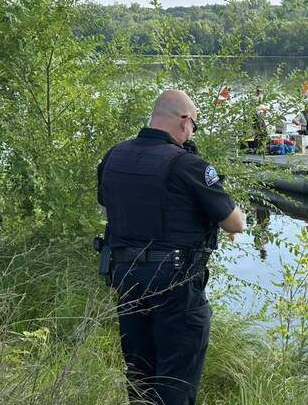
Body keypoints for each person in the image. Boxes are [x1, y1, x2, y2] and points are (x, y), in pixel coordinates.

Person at [97, 90, 246, 405]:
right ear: (183, 121)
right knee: (176, 382)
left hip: (127, 283)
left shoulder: (114, 156)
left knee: (140, 375)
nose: (192, 132)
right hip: (176, 288)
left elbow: (109, 212)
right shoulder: (187, 165)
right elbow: (235, 223)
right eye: (194, 124)